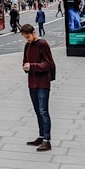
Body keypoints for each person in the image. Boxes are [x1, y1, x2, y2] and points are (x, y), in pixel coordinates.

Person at [20, 23, 55, 152]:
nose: (27, 39)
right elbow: (25, 60)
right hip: (32, 82)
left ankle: (47, 140)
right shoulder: (27, 45)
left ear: (34, 32)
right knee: (37, 110)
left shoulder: (43, 44)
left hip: (43, 83)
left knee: (43, 111)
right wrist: (25, 67)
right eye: (25, 37)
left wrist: (32, 66)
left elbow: (49, 64)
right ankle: (41, 136)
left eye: (28, 36)